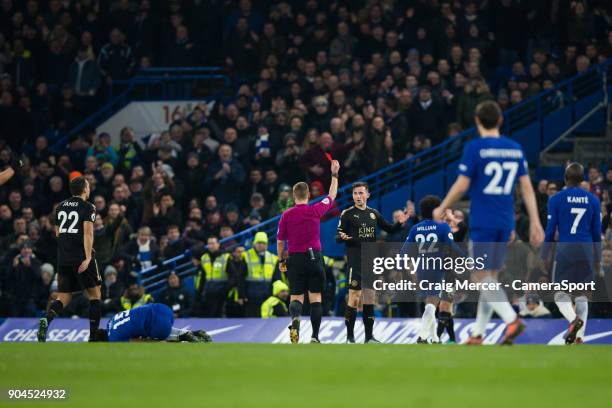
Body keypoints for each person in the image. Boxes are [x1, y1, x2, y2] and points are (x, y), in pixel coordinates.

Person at [433, 100, 544, 345]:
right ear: (501, 120)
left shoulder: (476, 148)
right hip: (506, 220)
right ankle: (478, 334)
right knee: (490, 276)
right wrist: (535, 221)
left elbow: (462, 184)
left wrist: (442, 207)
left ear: (476, 121)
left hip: (484, 219)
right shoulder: (514, 148)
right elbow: (526, 187)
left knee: (480, 277)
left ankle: (511, 320)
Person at [277, 159, 340, 344]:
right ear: (308, 196)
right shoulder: (315, 210)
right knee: (316, 298)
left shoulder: (286, 215)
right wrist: (334, 174)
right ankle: (314, 336)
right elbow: (332, 195)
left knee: (296, 296)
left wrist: (282, 261)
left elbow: (280, 241)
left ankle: (295, 320)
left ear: (294, 196)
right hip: (314, 258)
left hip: (295, 259)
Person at [336, 181, 403, 343]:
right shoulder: (347, 214)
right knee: (354, 297)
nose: (358, 196)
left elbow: (390, 229)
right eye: (355, 194)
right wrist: (342, 237)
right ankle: (350, 337)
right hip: (355, 262)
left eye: (361, 193)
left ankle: (369, 337)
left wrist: (400, 222)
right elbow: (338, 235)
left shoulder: (374, 213)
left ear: (368, 194)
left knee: (369, 297)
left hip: (370, 263)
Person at [542, 162, 601, 344]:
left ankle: (573, 320)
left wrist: (544, 254)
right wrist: (597, 258)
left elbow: (551, 230)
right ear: (582, 179)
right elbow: (596, 233)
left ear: (565, 179)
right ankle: (580, 337)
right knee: (582, 295)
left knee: (560, 294)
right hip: (586, 250)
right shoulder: (593, 200)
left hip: (566, 250)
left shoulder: (556, 199)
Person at [38, 176, 102, 342]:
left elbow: (58, 233)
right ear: (84, 189)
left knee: (63, 297)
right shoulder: (89, 207)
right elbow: (88, 233)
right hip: (81, 256)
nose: (89, 189)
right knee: (95, 295)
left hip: (64, 257)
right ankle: (93, 337)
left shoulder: (60, 207)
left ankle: (47, 318)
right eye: (88, 187)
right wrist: (88, 257)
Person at [404, 195, 458, 344]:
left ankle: (434, 338)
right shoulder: (443, 227)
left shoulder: (416, 228)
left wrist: (412, 273)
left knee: (430, 302)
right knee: (432, 303)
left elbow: (405, 254)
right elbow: (452, 249)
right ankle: (422, 336)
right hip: (437, 267)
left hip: (421, 268)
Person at [94, 303, 211, 342]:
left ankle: (184, 337)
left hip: (156, 324)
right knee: (153, 327)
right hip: (163, 308)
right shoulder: (111, 321)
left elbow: (138, 342)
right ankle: (195, 333)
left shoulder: (113, 339)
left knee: (156, 335)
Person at [243, 231, 278, 317]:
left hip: (267, 294)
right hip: (251, 295)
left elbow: (276, 278)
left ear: (267, 245)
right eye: (259, 243)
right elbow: (240, 277)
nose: (261, 245)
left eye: (263, 243)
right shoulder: (245, 255)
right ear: (254, 244)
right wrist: (242, 295)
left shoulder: (273, 258)